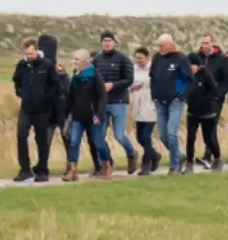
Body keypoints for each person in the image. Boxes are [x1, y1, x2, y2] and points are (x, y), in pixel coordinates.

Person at [12, 34, 62, 182]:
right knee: (21, 136)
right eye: (27, 54)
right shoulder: (22, 66)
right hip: (26, 108)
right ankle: (25, 169)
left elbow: (56, 86)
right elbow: (17, 82)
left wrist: (45, 98)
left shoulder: (46, 65)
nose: (29, 56)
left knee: (41, 140)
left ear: (36, 51)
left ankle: (42, 170)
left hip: (42, 110)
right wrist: (21, 93)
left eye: (31, 53)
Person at [94, 32, 139, 175]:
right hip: (101, 103)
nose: (107, 43)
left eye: (109, 40)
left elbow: (129, 80)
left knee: (119, 135)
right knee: (98, 137)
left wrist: (112, 85)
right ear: (101, 43)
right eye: (104, 40)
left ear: (114, 42)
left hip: (118, 101)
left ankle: (131, 153)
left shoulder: (123, 59)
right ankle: (105, 165)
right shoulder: (96, 60)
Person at [61, 49, 109, 180]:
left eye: (77, 59)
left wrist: (98, 115)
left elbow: (102, 98)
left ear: (85, 61)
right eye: (74, 59)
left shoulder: (95, 76)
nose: (74, 62)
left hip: (93, 117)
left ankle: (106, 166)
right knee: (74, 142)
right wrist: (68, 114)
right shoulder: (75, 76)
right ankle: (73, 171)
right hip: (78, 117)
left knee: (99, 144)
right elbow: (70, 97)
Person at [147, 35, 192, 174]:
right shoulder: (157, 58)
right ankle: (179, 154)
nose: (160, 48)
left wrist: (181, 96)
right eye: (159, 45)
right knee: (162, 135)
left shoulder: (180, 58)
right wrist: (153, 95)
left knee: (172, 132)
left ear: (171, 45)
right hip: (160, 101)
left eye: (162, 45)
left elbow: (191, 80)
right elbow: (152, 77)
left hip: (175, 101)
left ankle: (175, 165)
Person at [185, 38, 228, 171]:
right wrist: (185, 99)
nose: (189, 68)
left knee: (208, 138)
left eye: (191, 65)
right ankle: (189, 164)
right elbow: (184, 90)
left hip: (207, 112)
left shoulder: (205, 74)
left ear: (197, 65)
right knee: (190, 138)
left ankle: (217, 158)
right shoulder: (187, 76)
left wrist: (205, 100)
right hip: (192, 111)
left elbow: (215, 91)